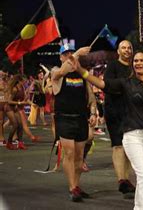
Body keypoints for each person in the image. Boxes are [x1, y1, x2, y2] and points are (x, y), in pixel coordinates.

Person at [77, 49, 143, 209]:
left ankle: (138, 207)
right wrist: (81, 71)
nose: (138, 63)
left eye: (142, 60)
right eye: (136, 61)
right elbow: (102, 84)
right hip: (132, 134)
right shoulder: (127, 83)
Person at [51, 44, 96, 202]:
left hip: (81, 118)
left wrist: (93, 112)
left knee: (79, 156)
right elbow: (63, 71)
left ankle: (76, 186)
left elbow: (90, 95)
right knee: (69, 154)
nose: (69, 55)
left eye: (71, 52)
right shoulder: (56, 71)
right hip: (65, 118)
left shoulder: (81, 73)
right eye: (66, 54)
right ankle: (72, 188)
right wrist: (76, 54)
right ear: (61, 57)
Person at [103, 40, 136, 198]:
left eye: (129, 47)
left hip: (131, 112)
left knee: (129, 146)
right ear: (118, 51)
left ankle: (127, 179)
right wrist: (125, 83)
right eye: (124, 47)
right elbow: (107, 84)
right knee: (118, 145)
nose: (127, 50)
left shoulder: (135, 66)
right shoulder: (113, 66)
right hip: (114, 111)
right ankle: (121, 180)